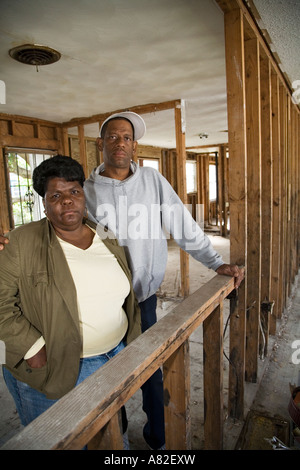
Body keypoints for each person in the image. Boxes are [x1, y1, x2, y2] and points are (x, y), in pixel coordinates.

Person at [0, 112, 244, 450]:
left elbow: (183, 226)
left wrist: (215, 262)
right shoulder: (84, 190)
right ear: (101, 144)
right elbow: (61, 233)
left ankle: (158, 440)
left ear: (134, 145)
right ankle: (116, 429)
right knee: (109, 382)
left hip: (140, 300)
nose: (120, 143)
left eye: (126, 137)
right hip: (98, 304)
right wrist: (13, 240)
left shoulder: (153, 181)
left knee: (152, 375)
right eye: (112, 137)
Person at [0, 155, 141, 444]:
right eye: (56, 195)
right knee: (57, 440)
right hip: (57, 366)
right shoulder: (21, 242)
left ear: (83, 196)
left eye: (74, 192)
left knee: (111, 436)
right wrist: (31, 347)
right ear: (45, 203)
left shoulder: (104, 234)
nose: (67, 201)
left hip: (113, 356)